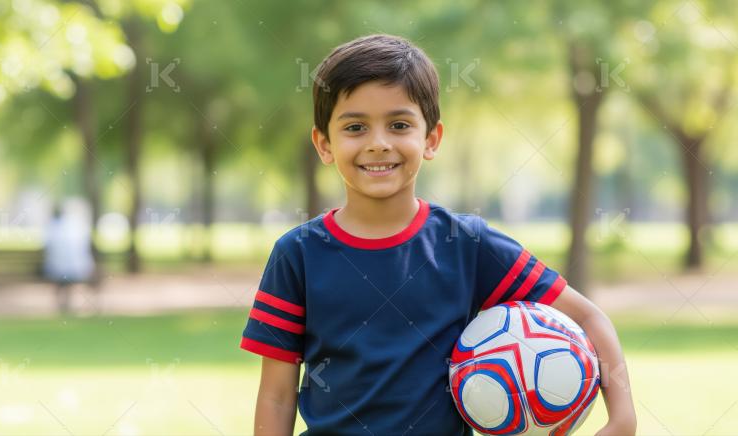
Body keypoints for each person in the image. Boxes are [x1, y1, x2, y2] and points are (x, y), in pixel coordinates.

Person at [240, 34, 637, 435]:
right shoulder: (298, 254)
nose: (378, 144)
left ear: (431, 139)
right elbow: (277, 395)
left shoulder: (466, 244)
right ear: (324, 144)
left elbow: (588, 317)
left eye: (398, 125)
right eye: (356, 127)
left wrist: (622, 420)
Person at [44, 200, 95, 313]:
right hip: (79, 269)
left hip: (58, 270)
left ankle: (62, 306)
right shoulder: (76, 226)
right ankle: (70, 305)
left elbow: (48, 248)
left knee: (59, 275)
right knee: (64, 273)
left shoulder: (51, 228)